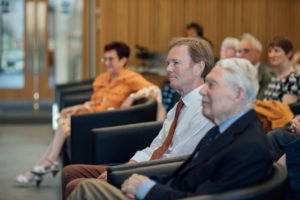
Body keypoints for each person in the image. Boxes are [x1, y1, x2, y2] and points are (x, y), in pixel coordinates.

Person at [68, 58, 273, 200]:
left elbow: (200, 196)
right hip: (165, 190)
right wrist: (146, 182)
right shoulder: (226, 130)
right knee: (82, 183)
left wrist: (147, 189)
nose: (203, 93)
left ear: (238, 94)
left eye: (212, 85)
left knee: (86, 188)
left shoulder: (249, 147)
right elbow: (184, 174)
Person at [61, 37, 215, 200]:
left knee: (76, 185)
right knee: (70, 172)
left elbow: (175, 162)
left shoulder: (203, 110)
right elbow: (156, 147)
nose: (168, 68)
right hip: (149, 166)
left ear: (199, 67)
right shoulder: (179, 106)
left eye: (176, 63)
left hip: (159, 178)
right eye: (168, 63)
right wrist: (129, 166)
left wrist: (125, 174)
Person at [16, 41, 162, 185]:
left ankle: (48, 162)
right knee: (66, 116)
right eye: (104, 59)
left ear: (123, 60)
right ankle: (49, 161)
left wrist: (132, 97)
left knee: (67, 121)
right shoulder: (103, 78)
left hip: (110, 122)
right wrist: (79, 106)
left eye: (111, 59)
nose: (106, 62)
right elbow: (96, 102)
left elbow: (154, 90)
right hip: (94, 118)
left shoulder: (131, 78)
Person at [263, 36, 300, 104]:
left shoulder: (293, 79)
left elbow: (284, 111)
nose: (272, 55)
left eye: (277, 51)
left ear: (289, 54)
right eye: (270, 51)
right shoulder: (275, 76)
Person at [238, 33, 271, 100]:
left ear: (258, 53)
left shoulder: (268, 74)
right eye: (239, 51)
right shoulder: (236, 72)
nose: (241, 55)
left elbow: (261, 100)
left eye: (246, 51)